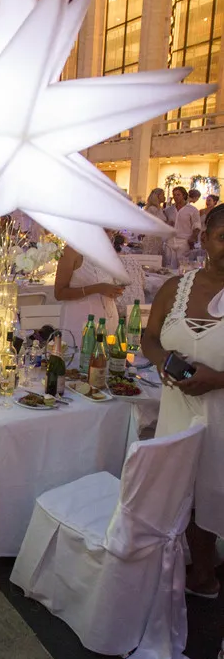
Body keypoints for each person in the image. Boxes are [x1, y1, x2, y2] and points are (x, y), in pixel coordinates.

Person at [142, 203, 224, 598]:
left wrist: (219, 379)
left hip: (220, 414)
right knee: (184, 494)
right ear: (205, 239)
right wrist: (164, 364)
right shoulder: (177, 289)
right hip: (178, 411)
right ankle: (202, 575)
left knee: (216, 492)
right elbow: (150, 338)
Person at [54, 243, 123, 344]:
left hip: (108, 320)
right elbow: (59, 293)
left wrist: (114, 290)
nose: (109, 234)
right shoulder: (71, 251)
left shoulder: (107, 251)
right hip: (80, 321)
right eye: (106, 229)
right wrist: (97, 288)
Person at [165, 186, 201, 267]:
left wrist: (193, 237)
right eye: (174, 195)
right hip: (170, 241)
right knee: (168, 265)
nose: (176, 197)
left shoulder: (192, 210)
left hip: (184, 242)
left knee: (182, 265)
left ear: (184, 195)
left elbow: (197, 226)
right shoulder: (169, 210)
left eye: (178, 195)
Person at [142, 188, 168, 255]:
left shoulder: (159, 209)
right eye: (163, 195)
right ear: (157, 196)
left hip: (158, 238)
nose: (164, 197)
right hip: (152, 239)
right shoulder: (152, 209)